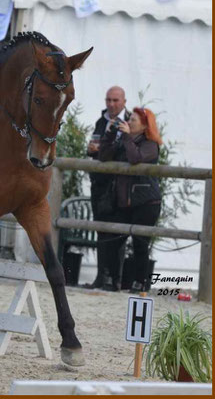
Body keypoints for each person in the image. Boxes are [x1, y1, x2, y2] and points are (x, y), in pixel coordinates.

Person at [98, 107, 163, 292]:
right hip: (124, 202)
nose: (129, 122)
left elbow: (135, 158)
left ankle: (140, 282)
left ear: (144, 125)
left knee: (140, 244)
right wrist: (110, 134)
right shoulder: (124, 140)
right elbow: (103, 156)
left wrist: (125, 137)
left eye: (133, 120)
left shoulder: (151, 144)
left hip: (146, 203)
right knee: (113, 238)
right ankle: (112, 280)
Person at [85, 86, 131, 289]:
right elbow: (97, 146)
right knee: (101, 230)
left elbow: (125, 150)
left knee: (118, 232)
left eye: (115, 100)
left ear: (124, 101)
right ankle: (101, 276)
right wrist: (92, 149)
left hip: (120, 184)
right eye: (108, 100)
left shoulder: (131, 120)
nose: (111, 104)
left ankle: (116, 278)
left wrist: (102, 148)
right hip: (101, 184)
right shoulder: (101, 120)